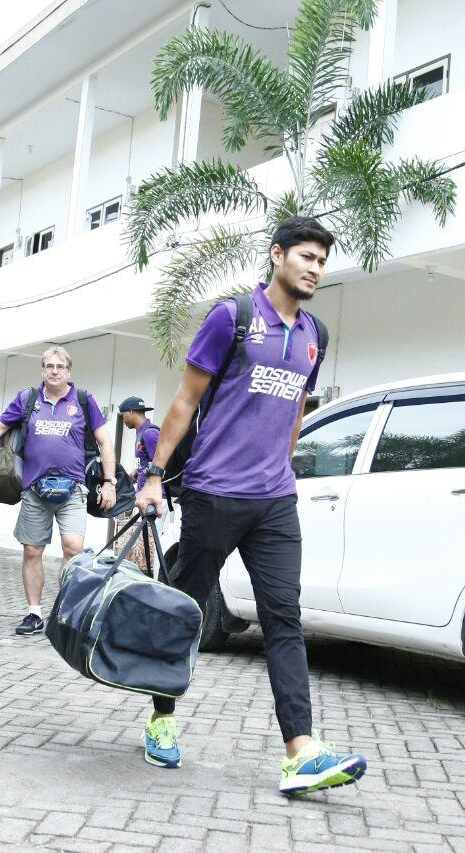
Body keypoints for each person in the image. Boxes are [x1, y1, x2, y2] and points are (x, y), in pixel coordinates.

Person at [132, 216, 367, 795]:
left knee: (284, 619)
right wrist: (155, 475)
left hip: (273, 502)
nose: (314, 268)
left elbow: (295, 412)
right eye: (305, 257)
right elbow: (186, 400)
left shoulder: (316, 334)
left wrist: (283, 467)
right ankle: (162, 718)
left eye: (321, 261)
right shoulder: (232, 318)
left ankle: (300, 751)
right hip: (214, 492)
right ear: (277, 255)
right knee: (185, 613)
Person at [0, 346, 117, 636]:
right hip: (34, 489)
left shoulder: (84, 401)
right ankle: (34, 613)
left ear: (69, 371)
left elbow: (104, 443)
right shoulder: (28, 399)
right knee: (32, 551)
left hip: (73, 489)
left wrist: (109, 483)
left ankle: (64, 612)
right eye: (49, 366)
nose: (54, 371)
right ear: (42, 370)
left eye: (60, 366)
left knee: (73, 549)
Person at [117, 396, 166, 576]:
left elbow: (160, 464)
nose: (123, 420)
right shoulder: (141, 432)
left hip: (155, 499)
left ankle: (157, 581)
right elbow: (147, 463)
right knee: (142, 547)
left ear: (131, 412)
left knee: (153, 545)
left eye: (123, 415)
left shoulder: (150, 433)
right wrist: (136, 473)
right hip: (143, 498)